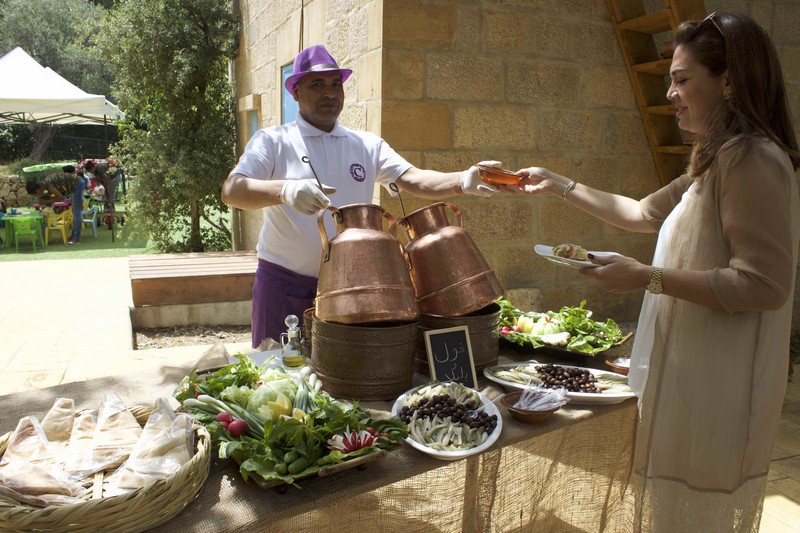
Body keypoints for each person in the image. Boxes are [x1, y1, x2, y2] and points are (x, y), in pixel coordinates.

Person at [510, 12, 799, 531]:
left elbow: (766, 284)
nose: (669, 92)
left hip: (718, 387)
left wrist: (647, 277)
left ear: (729, 81)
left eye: (683, 79)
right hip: (689, 378)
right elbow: (641, 213)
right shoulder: (714, 158)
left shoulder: (753, 159)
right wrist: (559, 184)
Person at [221, 44, 501, 348]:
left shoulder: (366, 145)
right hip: (285, 284)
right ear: (296, 92)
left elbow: (414, 179)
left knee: (343, 378)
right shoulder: (273, 141)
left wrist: (461, 180)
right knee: (276, 375)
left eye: (335, 84)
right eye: (317, 84)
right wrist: (284, 190)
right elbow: (233, 190)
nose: (329, 93)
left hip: (352, 289)